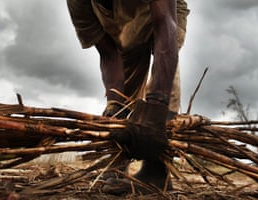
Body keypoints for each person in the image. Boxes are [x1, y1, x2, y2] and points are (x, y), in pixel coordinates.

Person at [67, 0, 189, 194]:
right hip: (123, 33)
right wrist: (115, 103)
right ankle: (117, 163)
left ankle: (155, 172)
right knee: (123, 102)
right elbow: (108, 54)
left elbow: (164, 23)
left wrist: (157, 104)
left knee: (164, 82)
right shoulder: (78, 3)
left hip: (164, 19)